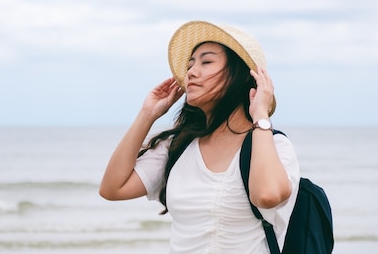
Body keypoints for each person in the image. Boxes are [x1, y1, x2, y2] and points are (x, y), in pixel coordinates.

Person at [99, 21, 300, 254]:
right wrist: (147, 115)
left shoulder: (273, 146)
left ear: (240, 75)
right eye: (190, 64)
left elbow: (267, 195)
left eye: (206, 62)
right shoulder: (178, 147)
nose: (192, 72)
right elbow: (112, 189)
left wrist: (260, 115)